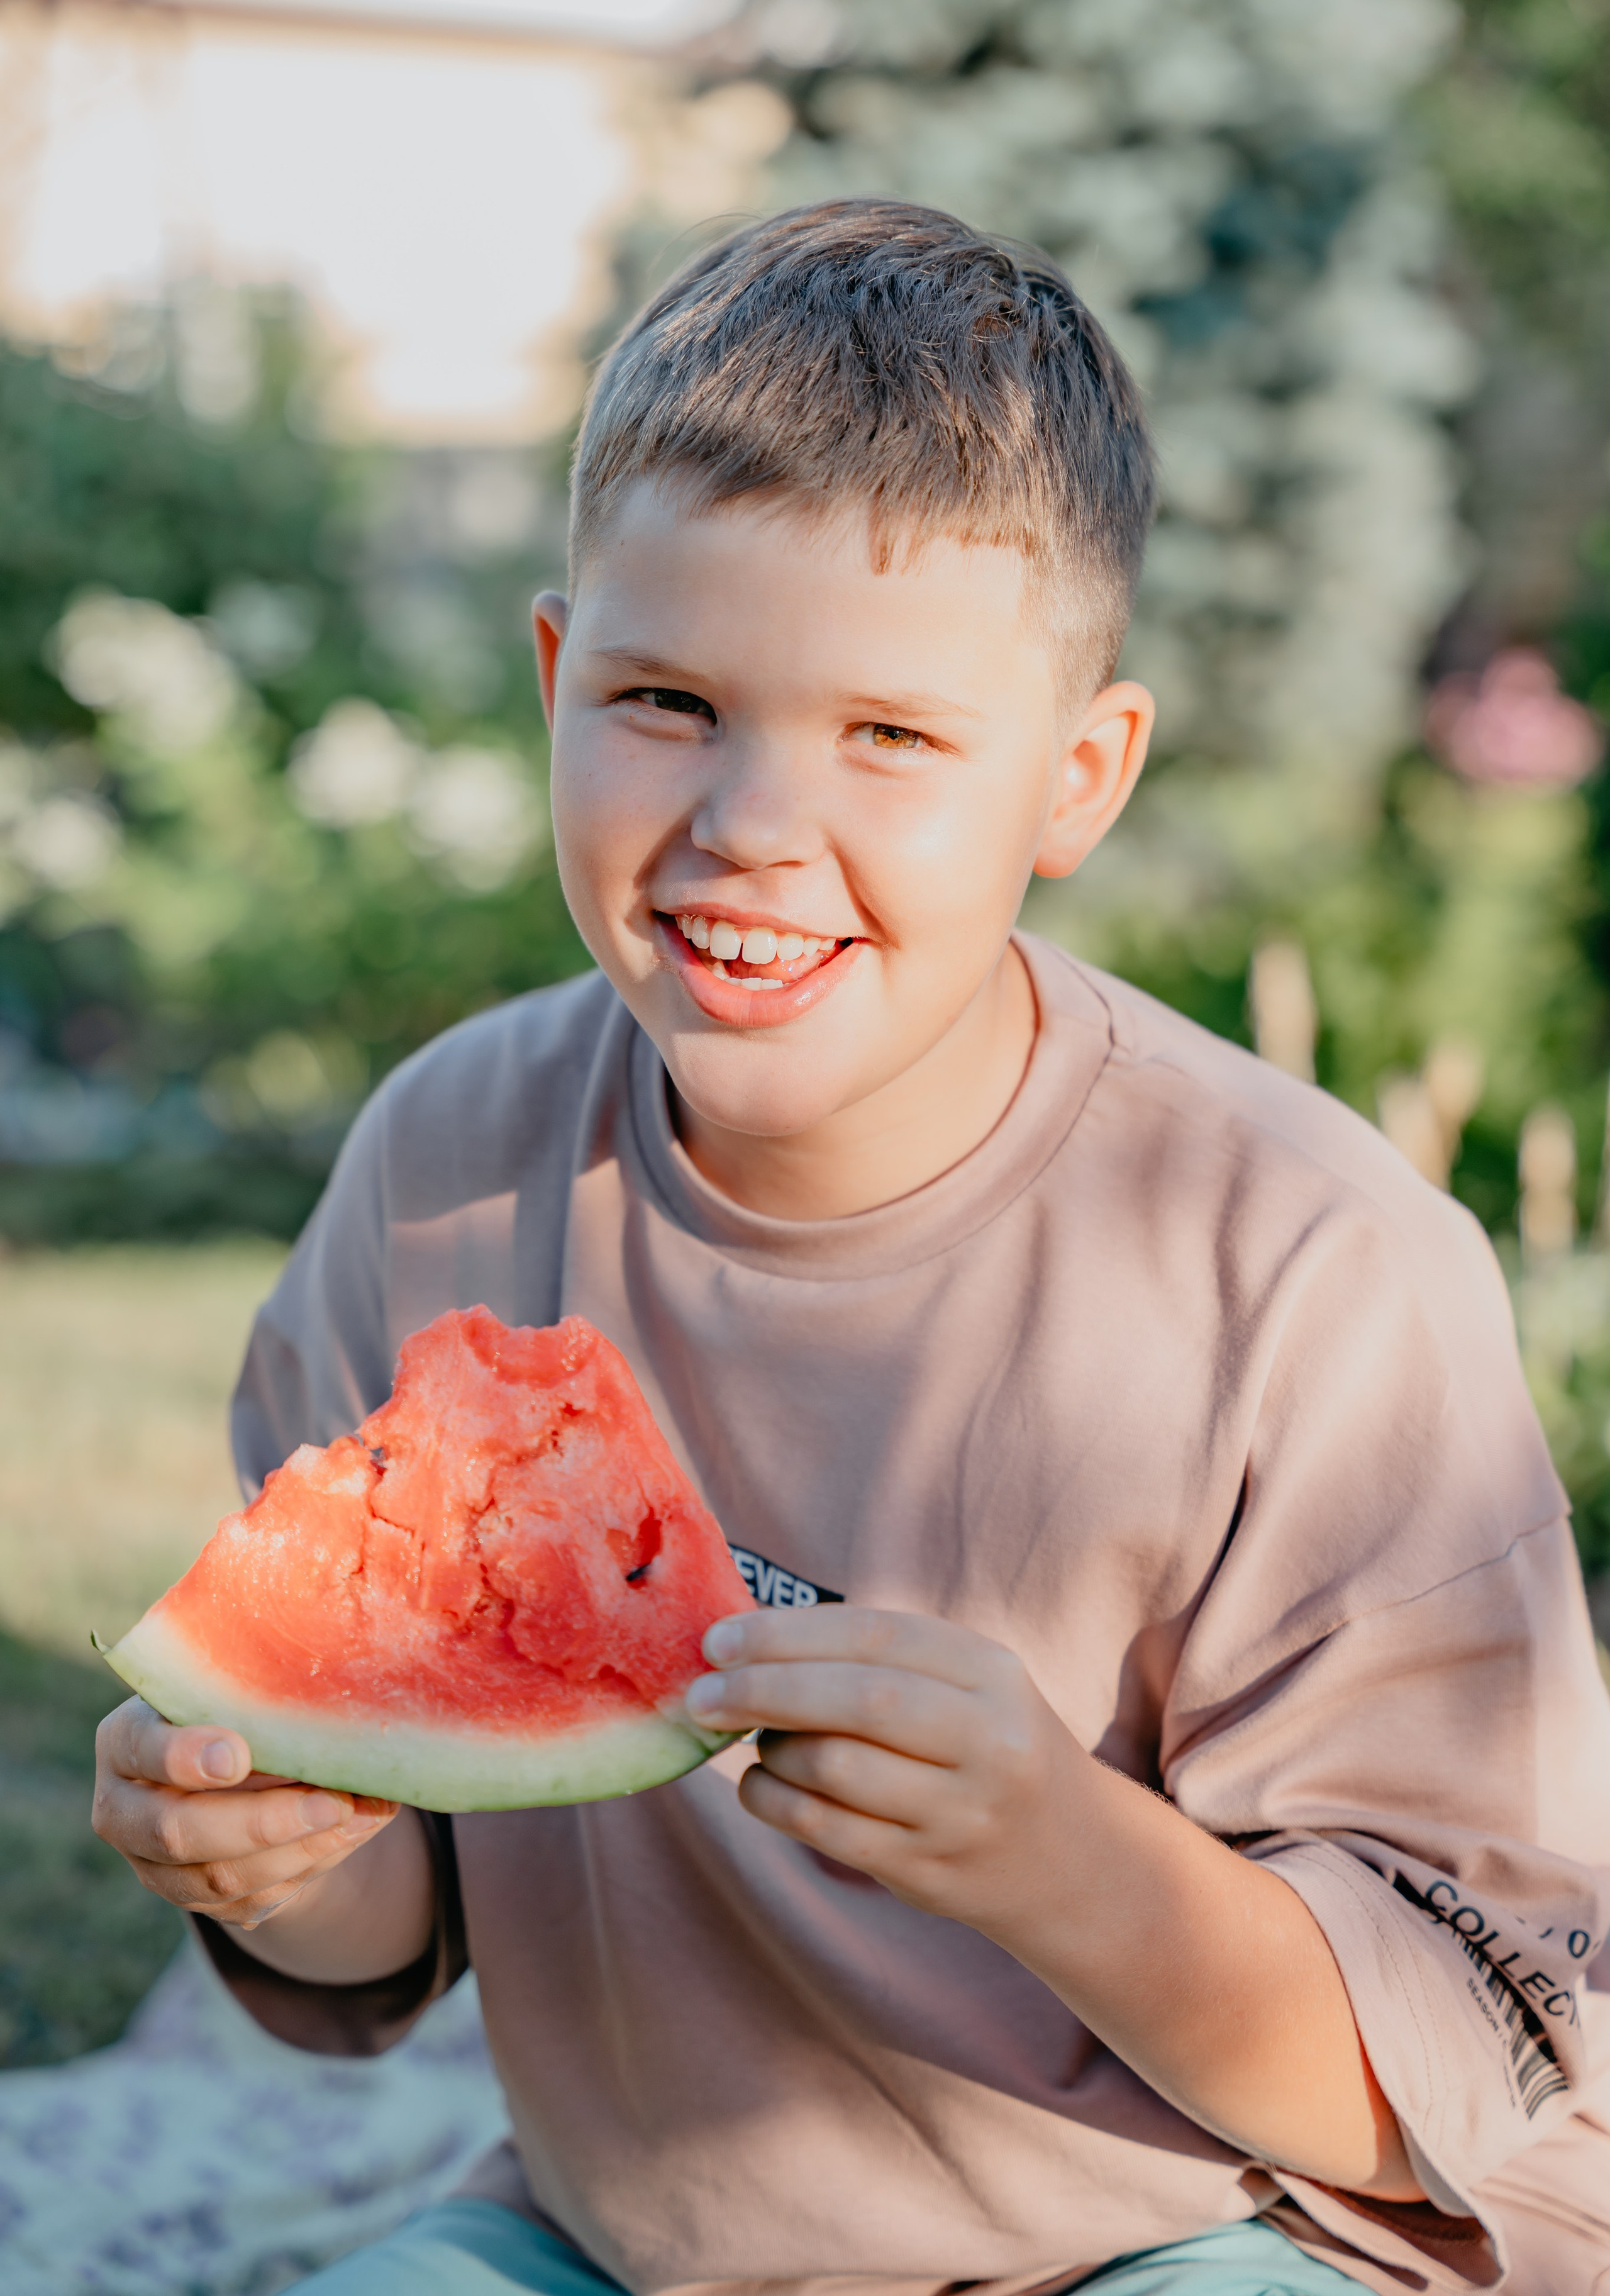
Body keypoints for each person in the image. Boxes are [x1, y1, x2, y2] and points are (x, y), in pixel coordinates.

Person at [93, 201, 1610, 2295]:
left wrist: (1066, 1863)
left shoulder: (1310, 1265)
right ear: (554, 678)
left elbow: (1453, 2075)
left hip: (1230, 2227)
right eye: (666, 699)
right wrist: (262, 1851)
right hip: (643, 2241)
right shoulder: (449, 1165)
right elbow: (386, 1933)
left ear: (1077, 779)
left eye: (891, 737)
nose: (749, 825)